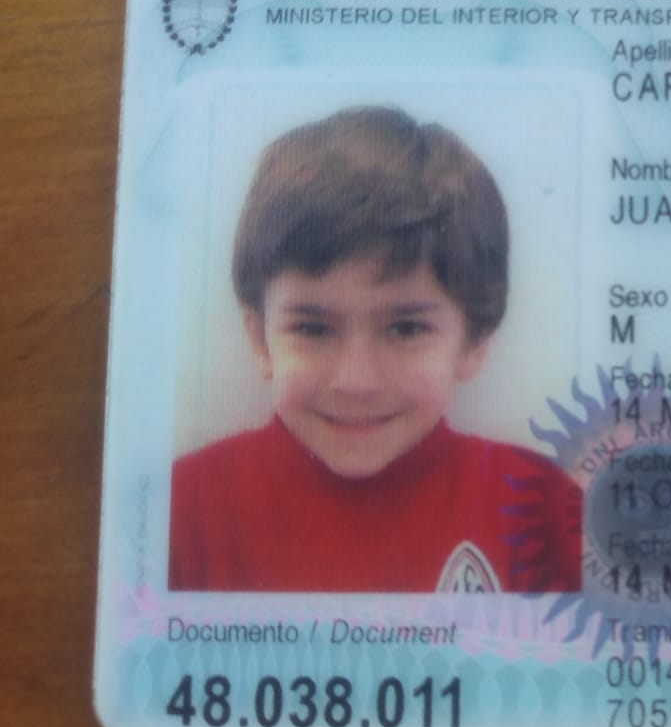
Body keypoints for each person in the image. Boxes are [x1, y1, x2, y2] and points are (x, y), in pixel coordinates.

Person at [169, 106, 582, 593]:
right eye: (313, 329)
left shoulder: (543, 510)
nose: (356, 382)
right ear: (261, 340)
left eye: (406, 329)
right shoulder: (181, 510)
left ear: (474, 340)